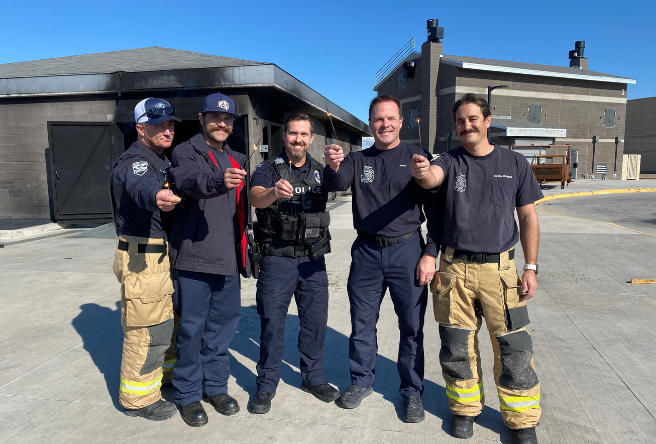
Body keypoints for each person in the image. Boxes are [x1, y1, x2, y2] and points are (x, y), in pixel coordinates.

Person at [410, 93, 543, 444]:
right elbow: (432, 179)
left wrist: (530, 267)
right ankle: (465, 412)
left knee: (514, 349)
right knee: (456, 349)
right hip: (454, 271)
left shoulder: (515, 163)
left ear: (486, 121)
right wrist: (423, 172)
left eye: (472, 119)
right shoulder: (449, 161)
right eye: (460, 121)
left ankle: (522, 420)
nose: (466, 125)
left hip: (501, 273)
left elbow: (528, 215)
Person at [323, 95, 438, 423]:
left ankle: (412, 391)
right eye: (378, 119)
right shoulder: (358, 159)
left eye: (391, 118)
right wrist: (332, 166)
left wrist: (430, 253)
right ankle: (361, 381)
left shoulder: (417, 157)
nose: (384, 124)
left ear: (401, 122)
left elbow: (438, 211)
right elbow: (338, 182)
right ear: (370, 123)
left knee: (412, 326)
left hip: (408, 251)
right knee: (361, 323)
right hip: (367, 252)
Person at [248, 111, 339, 414]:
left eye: (304, 135)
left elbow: (343, 181)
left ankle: (312, 378)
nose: (298, 140)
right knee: (272, 323)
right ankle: (266, 385)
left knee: (315, 322)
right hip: (277, 260)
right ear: (284, 135)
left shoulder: (320, 171)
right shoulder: (267, 169)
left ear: (311, 138)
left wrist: (337, 165)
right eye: (292, 134)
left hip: (313, 260)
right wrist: (273, 192)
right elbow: (255, 197)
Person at [167, 92, 249, 427]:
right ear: (202, 119)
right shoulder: (186, 151)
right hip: (194, 258)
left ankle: (215, 387)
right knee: (190, 330)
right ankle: (187, 394)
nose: (222, 123)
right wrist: (218, 180)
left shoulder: (237, 157)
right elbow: (189, 180)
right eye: (215, 117)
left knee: (221, 331)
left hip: (227, 258)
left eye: (227, 119)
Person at [109, 97, 182, 421]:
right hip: (144, 257)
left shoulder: (159, 159)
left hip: (157, 256)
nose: (166, 129)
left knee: (165, 324)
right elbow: (142, 187)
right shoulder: (137, 161)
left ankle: (162, 379)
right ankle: (139, 400)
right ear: (141, 128)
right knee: (147, 331)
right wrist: (158, 196)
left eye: (169, 124)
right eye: (158, 124)